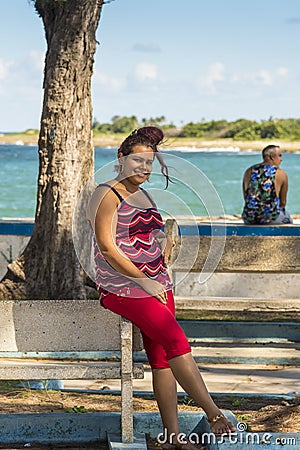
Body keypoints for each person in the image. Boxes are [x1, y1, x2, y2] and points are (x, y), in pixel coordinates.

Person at [87, 126, 236, 449]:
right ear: (121, 158)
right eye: (137, 160)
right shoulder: (106, 193)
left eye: (149, 163)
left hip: (158, 284)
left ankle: (173, 439)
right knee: (177, 341)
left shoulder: (144, 194)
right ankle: (214, 414)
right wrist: (143, 279)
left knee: (162, 359)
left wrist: (163, 244)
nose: (144, 168)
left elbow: (148, 232)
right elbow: (107, 247)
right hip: (124, 289)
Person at [242, 144, 293, 225]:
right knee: (288, 218)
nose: (281, 159)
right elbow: (283, 203)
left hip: (249, 218)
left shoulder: (249, 171)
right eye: (279, 156)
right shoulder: (281, 173)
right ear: (272, 156)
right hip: (270, 218)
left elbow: (246, 197)